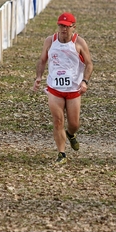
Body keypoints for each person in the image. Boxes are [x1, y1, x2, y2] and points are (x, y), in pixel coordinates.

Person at [33, 12, 93, 165]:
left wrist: (84, 81)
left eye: (66, 26)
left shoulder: (79, 42)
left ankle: (71, 134)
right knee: (58, 121)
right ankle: (62, 154)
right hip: (55, 88)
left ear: (73, 27)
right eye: (61, 25)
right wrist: (38, 77)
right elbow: (42, 60)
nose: (63, 29)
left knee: (74, 124)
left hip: (73, 89)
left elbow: (89, 64)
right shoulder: (50, 41)